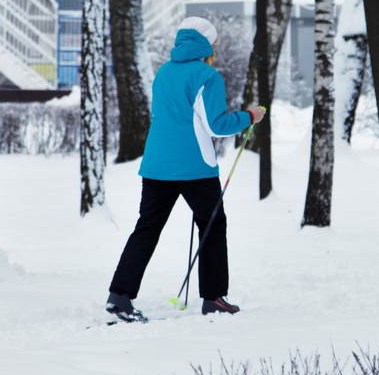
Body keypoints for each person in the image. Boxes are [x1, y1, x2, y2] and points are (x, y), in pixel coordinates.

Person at [106, 17, 266, 322]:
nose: (217, 47)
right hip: (195, 167)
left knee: (147, 228)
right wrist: (250, 116)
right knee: (212, 225)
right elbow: (216, 125)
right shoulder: (207, 75)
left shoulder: (163, 72)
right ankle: (214, 298)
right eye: (215, 42)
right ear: (206, 44)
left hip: (156, 165)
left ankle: (119, 296)